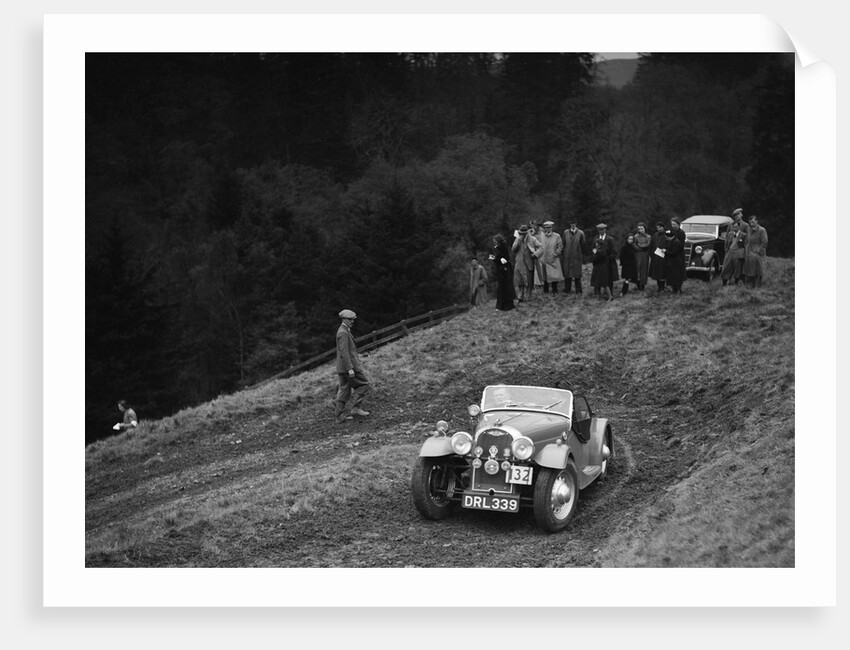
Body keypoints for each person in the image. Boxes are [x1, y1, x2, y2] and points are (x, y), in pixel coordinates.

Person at [334, 309, 371, 423]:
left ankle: (339, 416)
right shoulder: (343, 333)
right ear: (344, 319)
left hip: (342, 367)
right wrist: (350, 368)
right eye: (350, 319)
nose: (352, 321)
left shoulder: (344, 330)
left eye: (353, 319)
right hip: (347, 367)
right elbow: (344, 353)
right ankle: (355, 408)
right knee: (364, 384)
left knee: (344, 390)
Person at [511, 224, 542, 301]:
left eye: (524, 233)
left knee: (529, 282)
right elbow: (513, 249)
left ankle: (528, 297)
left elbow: (541, 248)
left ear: (527, 232)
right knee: (520, 282)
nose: (523, 235)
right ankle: (520, 297)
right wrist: (518, 241)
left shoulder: (532, 239)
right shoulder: (517, 239)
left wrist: (535, 254)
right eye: (521, 233)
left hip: (529, 263)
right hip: (519, 264)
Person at [590, 223, 617, 300]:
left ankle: (609, 294)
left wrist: (608, 258)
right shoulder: (595, 238)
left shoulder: (610, 239)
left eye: (602, 230)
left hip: (607, 263)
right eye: (599, 230)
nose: (601, 231)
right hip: (598, 262)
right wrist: (595, 255)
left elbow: (613, 251)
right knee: (597, 279)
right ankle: (598, 294)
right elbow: (593, 248)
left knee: (608, 279)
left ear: (605, 230)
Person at [490, 233, 516, 311]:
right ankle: (502, 305)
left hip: (504, 270)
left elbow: (503, 259)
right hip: (501, 269)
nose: (494, 242)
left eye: (495, 241)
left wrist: (495, 259)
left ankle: (506, 305)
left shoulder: (502, 248)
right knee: (502, 287)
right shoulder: (498, 247)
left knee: (505, 287)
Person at [538, 220, 564, 293]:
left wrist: (556, 254)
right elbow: (539, 246)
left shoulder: (557, 236)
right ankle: (545, 290)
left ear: (552, 228)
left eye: (549, 227)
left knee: (554, 275)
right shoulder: (541, 236)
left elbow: (560, 247)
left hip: (553, 258)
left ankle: (554, 290)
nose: (548, 229)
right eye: (546, 228)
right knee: (544, 275)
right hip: (544, 258)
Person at [561, 220, 586, 294]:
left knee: (577, 274)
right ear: (570, 224)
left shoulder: (581, 233)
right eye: (571, 223)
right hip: (567, 256)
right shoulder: (565, 232)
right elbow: (563, 244)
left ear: (576, 224)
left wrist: (581, 254)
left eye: (574, 223)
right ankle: (567, 290)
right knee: (567, 274)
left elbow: (583, 245)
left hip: (577, 256)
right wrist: (563, 254)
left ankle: (578, 291)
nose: (573, 225)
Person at [743, 215, 768, 287]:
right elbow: (747, 240)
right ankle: (751, 284)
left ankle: (758, 284)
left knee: (758, 269)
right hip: (749, 252)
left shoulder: (762, 230)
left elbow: (764, 242)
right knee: (750, 269)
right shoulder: (749, 230)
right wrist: (746, 249)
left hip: (758, 252)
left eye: (753, 222)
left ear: (757, 221)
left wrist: (758, 251)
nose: (751, 224)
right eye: (750, 222)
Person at [664, 217, 687, 294]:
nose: (672, 226)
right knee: (672, 272)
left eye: (674, 224)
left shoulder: (681, 233)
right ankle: (674, 288)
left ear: (678, 224)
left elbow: (681, 245)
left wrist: (673, 251)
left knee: (678, 272)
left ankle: (679, 288)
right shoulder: (672, 232)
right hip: (671, 254)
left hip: (678, 255)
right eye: (672, 224)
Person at [720, 221, 747, 286]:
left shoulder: (743, 235)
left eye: (736, 227)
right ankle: (724, 283)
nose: (735, 228)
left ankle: (736, 282)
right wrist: (726, 251)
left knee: (738, 269)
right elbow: (726, 242)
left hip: (738, 253)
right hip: (730, 252)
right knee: (726, 267)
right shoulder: (730, 234)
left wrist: (743, 253)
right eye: (734, 227)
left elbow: (745, 245)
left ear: (739, 227)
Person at [649, 221, 668, 293]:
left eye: (660, 227)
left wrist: (666, 251)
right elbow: (651, 244)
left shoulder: (666, 235)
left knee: (662, 273)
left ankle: (662, 288)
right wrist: (651, 254)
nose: (659, 229)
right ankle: (659, 288)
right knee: (656, 273)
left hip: (663, 257)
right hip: (655, 257)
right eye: (657, 227)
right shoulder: (655, 235)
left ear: (663, 227)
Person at [632, 222, 652, 291]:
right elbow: (634, 244)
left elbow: (648, 244)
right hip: (637, 253)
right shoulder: (636, 236)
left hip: (645, 254)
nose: (640, 230)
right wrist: (638, 248)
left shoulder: (648, 237)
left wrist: (641, 245)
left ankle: (642, 285)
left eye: (641, 228)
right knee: (637, 269)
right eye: (639, 229)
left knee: (644, 269)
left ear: (645, 229)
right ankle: (637, 284)